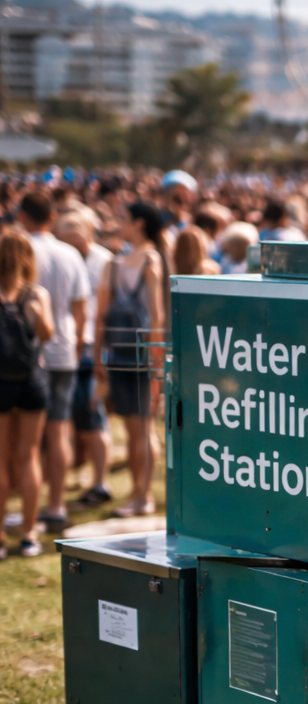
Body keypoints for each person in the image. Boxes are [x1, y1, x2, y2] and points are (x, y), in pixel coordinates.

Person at [18, 188, 90, 530]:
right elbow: (80, 309)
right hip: (63, 350)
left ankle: (26, 508)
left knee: (24, 440)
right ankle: (56, 505)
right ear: (52, 217)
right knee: (59, 431)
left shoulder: (18, 250)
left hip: (26, 354)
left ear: (21, 216)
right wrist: (76, 346)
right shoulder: (70, 254)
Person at [95, 200, 166, 517]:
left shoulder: (128, 261)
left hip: (128, 355)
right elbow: (156, 316)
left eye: (123, 218)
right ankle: (140, 494)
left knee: (140, 429)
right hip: (133, 354)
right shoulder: (137, 260)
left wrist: (99, 353)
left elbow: (156, 316)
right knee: (138, 429)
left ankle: (143, 495)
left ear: (138, 223)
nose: (118, 224)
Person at [0, 229, 55, 557]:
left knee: (1, 460)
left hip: (1, 382)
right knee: (29, 456)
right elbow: (46, 334)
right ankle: (29, 534)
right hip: (32, 380)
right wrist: (32, 309)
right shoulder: (36, 293)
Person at [54, 209, 113, 505]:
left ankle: (101, 482)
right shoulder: (66, 258)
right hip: (71, 346)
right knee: (70, 418)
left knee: (94, 414)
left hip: (93, 349)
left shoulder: (104, 261)